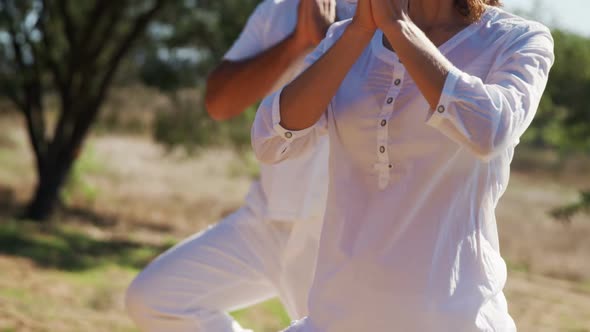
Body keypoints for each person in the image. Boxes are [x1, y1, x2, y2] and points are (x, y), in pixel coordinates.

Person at [252, 0, 554, 330]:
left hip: (455, 320)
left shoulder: (517, 39)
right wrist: (359, 33)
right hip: (335, 318)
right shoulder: (347, 36)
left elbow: (490, 131)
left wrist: (399, 27)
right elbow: (270, 142)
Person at [125, 0, 357, 331]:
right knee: (154, 301)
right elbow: (219, 102)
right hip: (262, 219)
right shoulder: (276, 10)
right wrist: (296, 42)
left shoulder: (394, 13)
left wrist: (324, 40)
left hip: (333, 229)